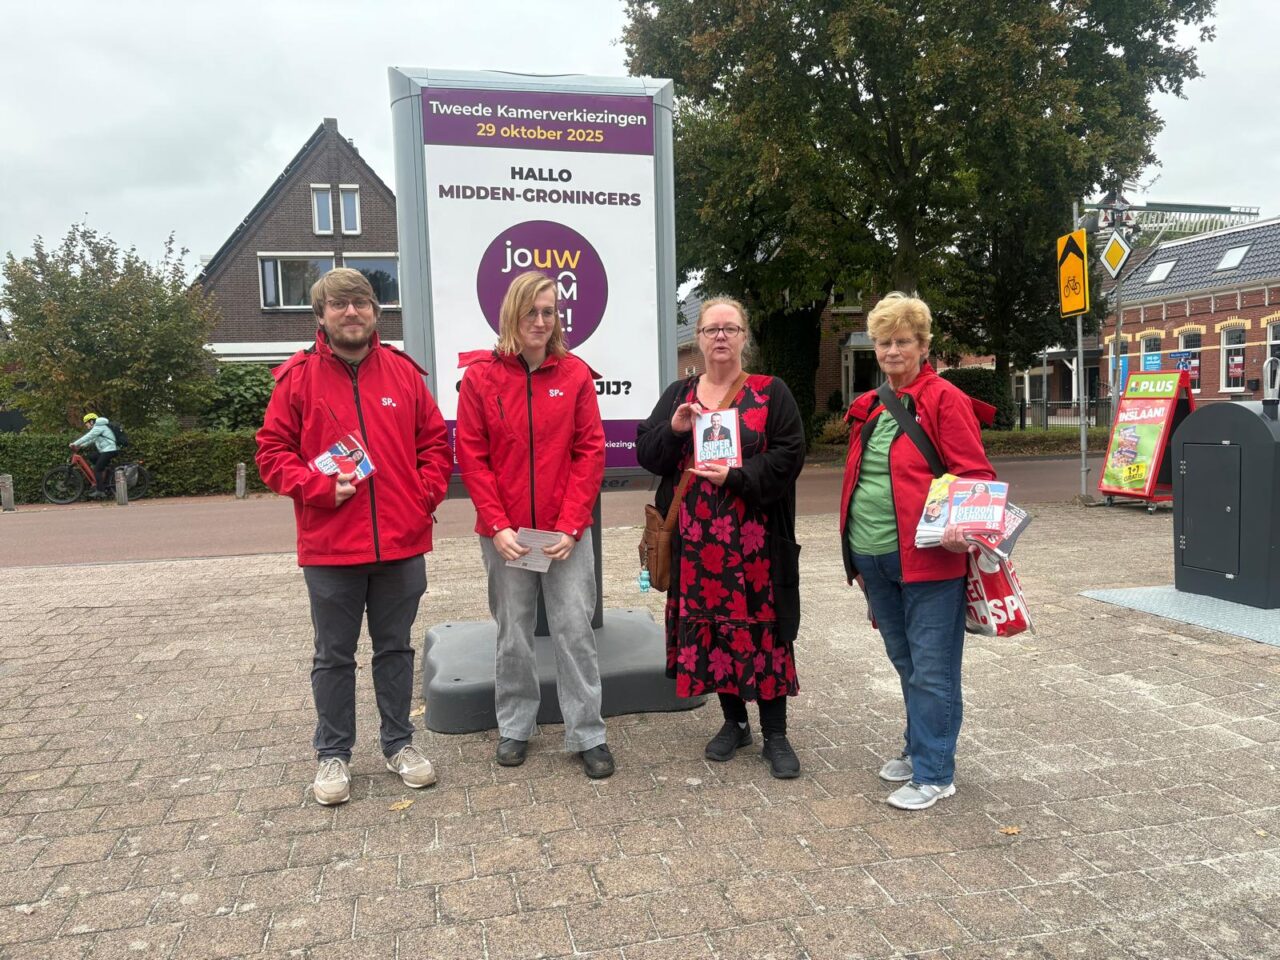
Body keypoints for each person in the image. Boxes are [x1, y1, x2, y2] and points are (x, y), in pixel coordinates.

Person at [256, 267, 453, 806]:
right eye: (339, 305)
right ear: (320, 316)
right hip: (329, 547)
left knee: (395, 649)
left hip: (401, 542)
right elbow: (271, 455)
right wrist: (317, 486)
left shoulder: (405, 375)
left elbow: (436, 445)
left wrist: (422, 497)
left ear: (375, 312)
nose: (351, 313)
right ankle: (333, 753)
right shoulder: (296, 379)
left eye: (360, 303)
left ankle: (399, 745)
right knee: (333, 655)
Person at [636, 296, 805, 778]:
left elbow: (790, 456)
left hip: (755, 545)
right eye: (712, 329)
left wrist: (734, 478)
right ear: (699, 338)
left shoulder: (771, 393)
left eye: (730, 328)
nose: (721, 337)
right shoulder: (679, 394)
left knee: (764, 634)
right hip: (696, 546)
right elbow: (648, 452)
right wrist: (674, 428)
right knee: (712, 632)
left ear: (744, 336)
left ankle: (775, 734)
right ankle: (734, 722)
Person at [840, 292, 996, 811]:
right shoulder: (871, 405)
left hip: (928, 558)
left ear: (923, 345)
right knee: (906, 660)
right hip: (874, 556)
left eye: (902, 341)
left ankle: (935, 773)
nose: (892, 350)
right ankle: (918, 747)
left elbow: (975, 474)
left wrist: (961, 526)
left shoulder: (943, 398)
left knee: (933, 667)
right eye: (884, 342)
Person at [454, 270, 613, 778]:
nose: (541, 322)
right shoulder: (481, 377)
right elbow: (472, 457)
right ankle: (515, 727)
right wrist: (497, 525)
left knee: (574, 631)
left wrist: (570, 526)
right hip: (509, 537)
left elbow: (589, 454)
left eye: (549, 312)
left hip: (562, 536)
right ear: (512, 316)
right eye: (532, 312)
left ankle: (587, 732)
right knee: (514, 633)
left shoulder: (575, 374)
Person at [70, 412, 119, 499]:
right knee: (91, 457)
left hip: (110, 450)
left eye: (86, 423)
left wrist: (75, 444)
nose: (86, 426)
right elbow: (92, 439)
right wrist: (81, 446)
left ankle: (101, 491)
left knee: (97, 469)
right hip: (106, 450)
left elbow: (88, 436)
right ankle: (104, 473)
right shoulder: (99, 427)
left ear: (91, 421)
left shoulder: (98, 427)